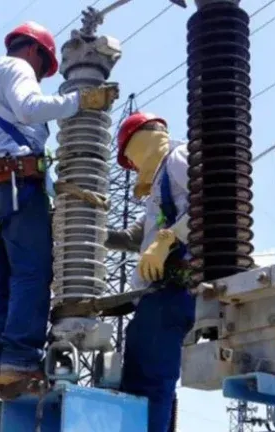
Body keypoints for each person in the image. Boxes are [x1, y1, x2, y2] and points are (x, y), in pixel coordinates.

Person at [0, 21, 120, 389]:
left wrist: (57, 185)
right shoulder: (15, 67)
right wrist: (81, 100)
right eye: (44, 70)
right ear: (35, 52)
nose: (40, 77)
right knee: (31, 273)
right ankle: (19, 360)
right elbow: (31, 108)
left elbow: (9, 139)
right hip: (13, 188)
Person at [105, 112, 196, 432]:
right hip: (161, 294)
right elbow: (133, 238)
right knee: (146, 380)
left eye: (129, 158)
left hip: (173, 288)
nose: (130, 167)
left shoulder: (178, 157)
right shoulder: (160, 187)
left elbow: (214, 198)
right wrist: (86, 227)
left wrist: (169, 238)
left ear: (141, 142)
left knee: (148, 383)